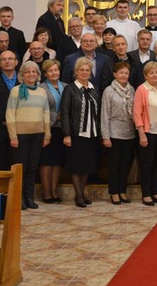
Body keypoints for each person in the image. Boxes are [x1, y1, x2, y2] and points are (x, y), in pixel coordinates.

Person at [6, 61, 50, 209]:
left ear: (38, 75)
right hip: (20, 136)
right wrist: (13, 136)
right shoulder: (16, 91)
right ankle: (19, 199)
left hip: (37, 134)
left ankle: (29, 197)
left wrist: (47, 134)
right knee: (21, 168)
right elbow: (10, 114)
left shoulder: (42, 91)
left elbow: (46, 114)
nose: (31, 74)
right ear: (22, 75)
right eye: (28, 72)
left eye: (34, 72)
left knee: (32, 167)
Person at [60, 57, 101, 208]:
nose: (84, 72)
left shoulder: (94, 88)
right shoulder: (70, 89)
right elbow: (64, 113)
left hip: (92, 134)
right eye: (81, 70)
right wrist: (66, 134)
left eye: (87, 70)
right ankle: (78, 195)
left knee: (87, 166)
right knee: (76, 166)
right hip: (76, 134)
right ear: (76, 72)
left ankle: (82, 193)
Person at [133, 61, 157, 206]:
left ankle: (156, 191)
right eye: (151, 72)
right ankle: (146, 193)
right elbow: (137, 113)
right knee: (147, 164)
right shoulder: (142, 89)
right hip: (148, 132)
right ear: (145, 75)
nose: (155, 75)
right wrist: (142, 134)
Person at [101, 61, 137, 205]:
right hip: (113, 132)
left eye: (126, 73)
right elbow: (104, 115)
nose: (123, 75)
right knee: (114, 164)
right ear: (115, 74)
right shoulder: (109, 91)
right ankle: (114, 192)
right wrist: (105, 136)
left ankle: (122, 190)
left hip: (129, 132)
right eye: (121, 72)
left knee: (126, 164)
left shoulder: (132, 90)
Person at [40, 59, 66, 204]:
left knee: (57, 162)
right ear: (45, 73)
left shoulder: (65, 86)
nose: (54, 73)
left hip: (61, 129)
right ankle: (46, 192)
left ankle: (54, 191)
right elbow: (42, 109)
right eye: (50, 71)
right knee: (46, 162)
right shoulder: (41, 88)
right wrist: (57, 115)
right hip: (47, 128)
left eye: (56, 70)